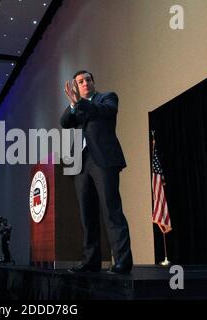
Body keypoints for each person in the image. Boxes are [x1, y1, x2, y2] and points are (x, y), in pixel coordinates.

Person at [60, 70, 133, 274]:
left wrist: (80, 103)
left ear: (93, 82)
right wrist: (74, 104)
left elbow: (106, 111)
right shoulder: (77, 106)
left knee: (111, 211)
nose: (85, 83)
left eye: (88, 80)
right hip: (82, 164)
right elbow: (64, 122)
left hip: (103, 160)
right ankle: (91, 261)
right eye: (80, 81)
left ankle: (122, 261)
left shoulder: (107, 98)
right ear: (76, 87)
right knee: (87, 214)